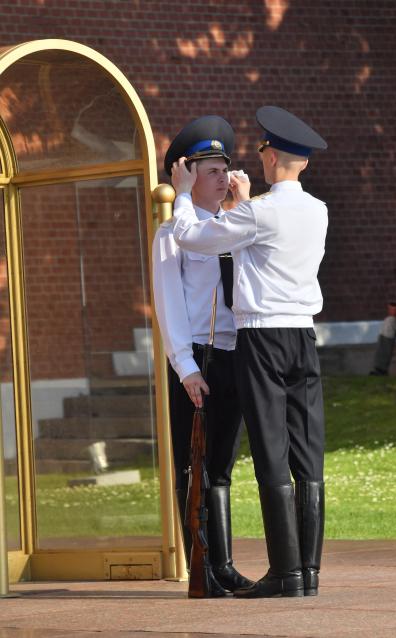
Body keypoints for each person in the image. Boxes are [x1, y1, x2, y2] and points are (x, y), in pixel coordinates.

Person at [170, 105, 328, 598]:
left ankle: (283, 571)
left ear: (272, 154)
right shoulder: (316, 209)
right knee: (309, 455)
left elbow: (193, 237)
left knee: (271, 453)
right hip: (304, 334)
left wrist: (178, 197)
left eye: (261, 149)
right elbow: (252, 244)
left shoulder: (256, 213)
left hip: (261, 337)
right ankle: (308, 573)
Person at [152, 115, 253, 595]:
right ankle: (203, 567)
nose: (222, 177)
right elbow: (169, 305)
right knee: (194, 463)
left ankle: (225, 564)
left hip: (234, 354)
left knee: (222, 465)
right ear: (187, 176)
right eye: (210, 169)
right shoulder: (172, 233)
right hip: (197, 358)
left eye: (224, 168)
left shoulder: (235, 228)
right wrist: (185, 368)